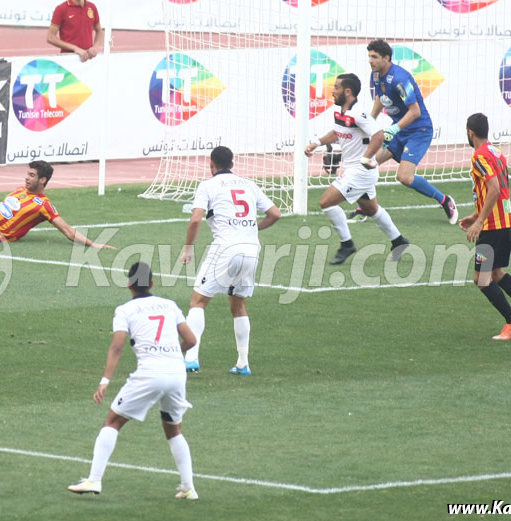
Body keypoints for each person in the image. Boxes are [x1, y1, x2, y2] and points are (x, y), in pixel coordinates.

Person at [68, 262, 199, 499]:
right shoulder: (170, 305)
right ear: (152, 283)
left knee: (112, 422)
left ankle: (94, 480)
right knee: (174, 430)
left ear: (129, 285)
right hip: (177, 373)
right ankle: (188, 487)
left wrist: (105, 380)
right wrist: (172, 353)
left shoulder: (125, 310)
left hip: (150, 374)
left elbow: (117, 347)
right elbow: (191, 340)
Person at [180, 146, 282, 375]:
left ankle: (191, 358)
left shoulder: (207, 186)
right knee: (239, 306)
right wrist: (253, 228)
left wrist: (188, 249)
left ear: (211, 164)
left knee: (198, 301)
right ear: (233, 165)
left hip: (225, 248)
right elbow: (276, 214)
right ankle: (243, 363)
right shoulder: (249, 184)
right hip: (252, 249)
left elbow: (196, 219)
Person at [305, 73, 410, 265]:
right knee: (371, 209)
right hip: (358, 170)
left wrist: (365, 158)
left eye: (336, 88)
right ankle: (399, 241)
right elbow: (337, 133)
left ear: (347, 91)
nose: (332, 91)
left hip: (361, 171)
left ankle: (347, 245)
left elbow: (378, 135)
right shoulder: (341, 113)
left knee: (326, 202)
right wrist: (317, 142)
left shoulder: (359, 114)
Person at [460, 113, 511, 340]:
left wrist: (479, 221)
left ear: (470, 133)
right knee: (496, 273)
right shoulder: (496, 152)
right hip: (507, 222)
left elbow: (494, 188)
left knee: (481, 279)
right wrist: (474, 215)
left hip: (492, 227)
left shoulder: (478, 156)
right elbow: (494, 193)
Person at [363, 38, 458, 225]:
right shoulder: (375, 76)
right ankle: (364, 207)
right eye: (369, 56)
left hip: (418, 130)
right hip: (400, 130)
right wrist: (369, 123)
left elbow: (415, 112)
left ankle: (445, 201)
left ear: (387, 58)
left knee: (404, 177)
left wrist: (393, 129)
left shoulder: (400, 79)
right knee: (368, 162)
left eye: (374, 57)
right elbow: (379, 100)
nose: (370, 60)